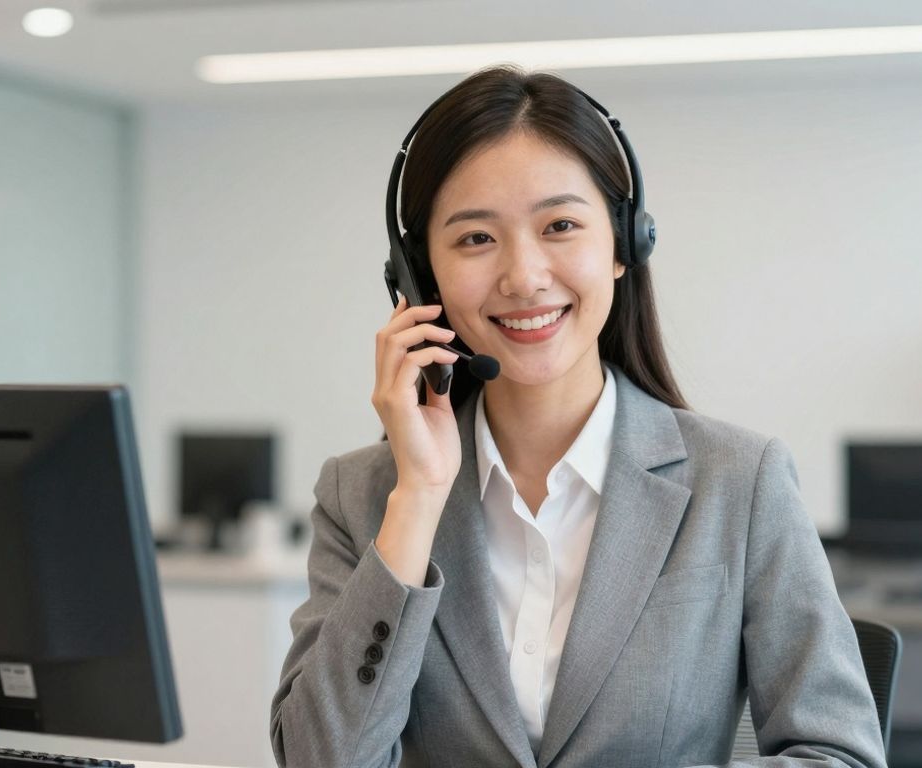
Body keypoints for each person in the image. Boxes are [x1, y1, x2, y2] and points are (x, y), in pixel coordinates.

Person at [270, 65, 887, 768]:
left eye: (560, 225)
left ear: (626, 244)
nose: (524, 275)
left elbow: (840, 755)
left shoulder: (741, 482)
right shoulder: (363, 496)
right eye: (476, 238)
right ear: (419, 276)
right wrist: (416, 500)